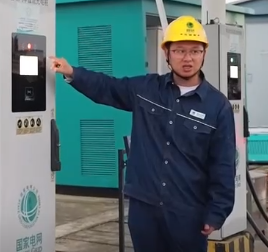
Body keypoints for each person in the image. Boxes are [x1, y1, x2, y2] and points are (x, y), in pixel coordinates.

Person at [49, 15, 236, 251]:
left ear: (204, 54)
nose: (187, 58)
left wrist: (217, 211)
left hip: (188, 213)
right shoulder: (147, 89)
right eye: (179, 50)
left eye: (195, 51)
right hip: (144, 209)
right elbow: (108, 87)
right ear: (167, 53)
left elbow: (223, 164)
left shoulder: (217, 106)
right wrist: (72, 72)